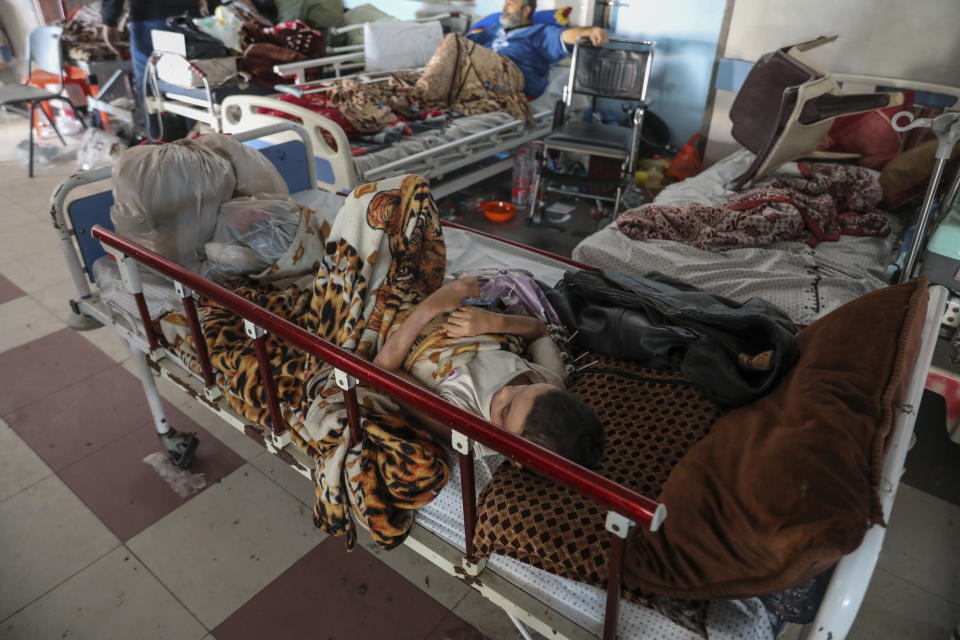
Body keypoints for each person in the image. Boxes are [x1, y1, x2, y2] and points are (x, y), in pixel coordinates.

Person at [373, 276, 605, 468]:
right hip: (463, 313)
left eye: (505, 411)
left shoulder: (463, 426)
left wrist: (429, 308)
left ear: (514, 456)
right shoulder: (552, 379)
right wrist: (492, 323)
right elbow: (540, 331)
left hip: (405, 325)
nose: (503, 393)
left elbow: (384, 371)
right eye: (522, 386)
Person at [101, 0, 204, 139]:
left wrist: (109, 19)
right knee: (192, 82)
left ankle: (159, 150)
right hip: (188, 14)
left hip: (149, 17)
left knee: (147, 84)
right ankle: (200, 148)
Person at [466, 0, 610, 99]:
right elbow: (463, 46)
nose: (504, 7)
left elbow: (567, 35)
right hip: (477, 72)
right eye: (505, 3)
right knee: (451, 42)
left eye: (511, 4)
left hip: (511, 74)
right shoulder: (493, 30)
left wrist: (591, 31)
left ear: (526, 11)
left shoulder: (539, 32)